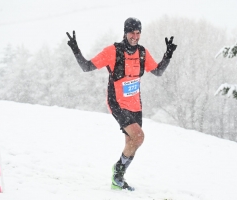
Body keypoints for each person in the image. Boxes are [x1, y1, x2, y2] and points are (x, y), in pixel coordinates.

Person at [66, 17, 177, 191]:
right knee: (139, 136)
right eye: (132, 32)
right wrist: (76, 49)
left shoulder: (142, 53)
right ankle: (117, 172)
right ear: (125, 32)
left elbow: (158, 71)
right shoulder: (113, 51)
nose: (135, 36)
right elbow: (86, 67)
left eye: (138, 32)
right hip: (117, 102)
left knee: (133, 142)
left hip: (135, 104)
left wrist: (167, 55)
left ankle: (117, 179)